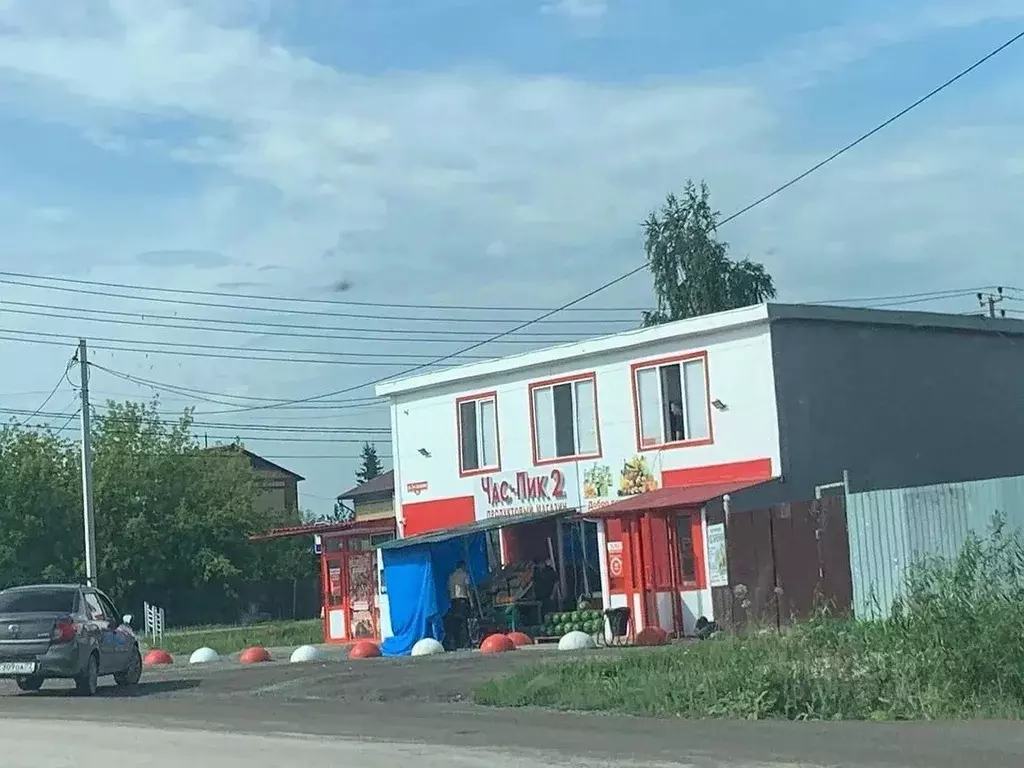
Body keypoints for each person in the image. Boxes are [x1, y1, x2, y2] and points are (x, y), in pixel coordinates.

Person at [445, 560, 472, 650]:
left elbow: (449, 590)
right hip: (462, 599)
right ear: (463, 566)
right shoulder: (465, 575)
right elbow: (467, 588)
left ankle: (457, 643)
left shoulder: (451, 576)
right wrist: (471, 601)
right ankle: (466, 643)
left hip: (453, 601)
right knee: (464, 622)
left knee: (456, 622)